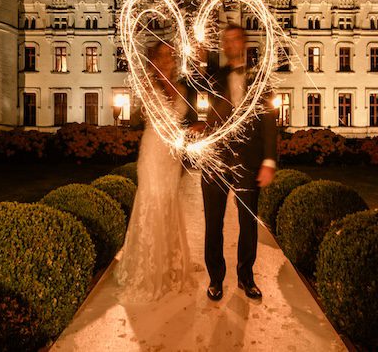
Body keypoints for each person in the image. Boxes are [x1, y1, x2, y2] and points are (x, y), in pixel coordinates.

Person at [114, 41, 197, 302]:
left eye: (170, 56)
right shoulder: (149, 87)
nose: (166, 60)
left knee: (169, 205)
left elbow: (180, 123)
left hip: (172, 158)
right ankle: (148, 269)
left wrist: (191, 131)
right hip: (153, 155)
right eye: (161, 56)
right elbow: (151, 119)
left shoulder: (181, 88)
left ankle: (169, 262)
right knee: (151, 204)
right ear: (153, 61)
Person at [202, 23, 277, 301]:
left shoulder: (260, 80)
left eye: (237, 40)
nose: (232, 45)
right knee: (213, 223)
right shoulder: (212, 77)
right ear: (223, 46)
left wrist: (269, 160)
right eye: (227, 41)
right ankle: (215, 279)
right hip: (215, 161)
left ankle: (246, 277)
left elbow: (269, 119)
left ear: (245, 44)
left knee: (248, 222)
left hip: (248, 160)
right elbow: (190, 82)